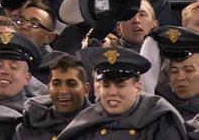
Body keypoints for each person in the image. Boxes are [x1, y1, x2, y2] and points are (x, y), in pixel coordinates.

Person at [57, 48, 187, 140]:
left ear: (138, 87)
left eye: (120, 85)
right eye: (106, 85)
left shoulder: (160, 118)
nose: (112, 92)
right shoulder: (86, 121)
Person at [15, 55, 91, 140]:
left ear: (85, 90)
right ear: (49, 89)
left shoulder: (101, 124)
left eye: (71, 84)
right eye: (56, 84)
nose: (63, 91)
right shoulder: (27, 129)